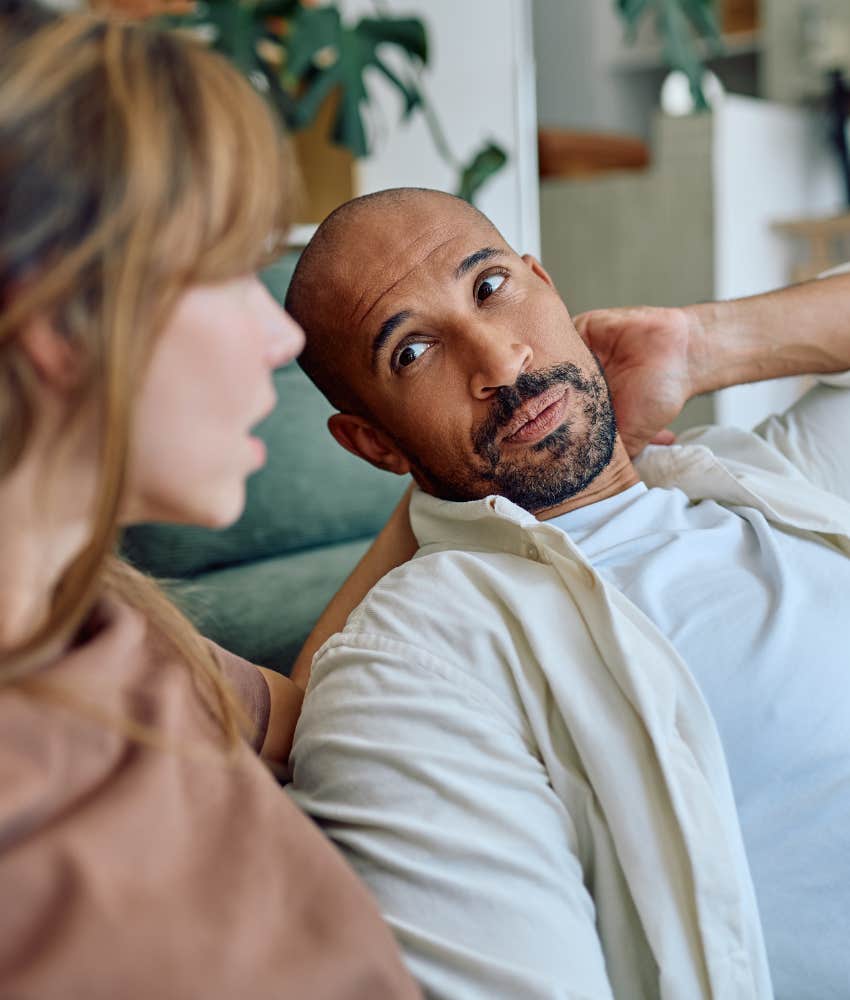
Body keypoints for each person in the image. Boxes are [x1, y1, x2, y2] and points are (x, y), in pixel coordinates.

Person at [284, 187, 850, 999]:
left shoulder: (764, 476)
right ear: (372, 441)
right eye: (412, 352)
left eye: (489, 287)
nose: (500, 362)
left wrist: (698, 345)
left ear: (545, 283)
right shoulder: (420, 658)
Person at [0, 5, 422, 996]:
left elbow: (314, 720)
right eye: (233, 270)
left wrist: (438, 490)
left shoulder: (113, 624)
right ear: (59, 318)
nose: (284, 341)